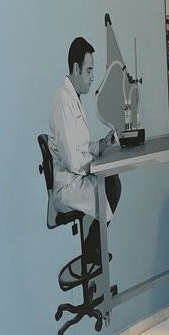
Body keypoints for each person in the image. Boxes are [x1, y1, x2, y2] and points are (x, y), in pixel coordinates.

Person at [48, 37, 121, 268]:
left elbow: (80, 146)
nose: (92, 76)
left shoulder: (73, 98)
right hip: (66, 186)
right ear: (76, 68)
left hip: (75, 176)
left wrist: (101, 144)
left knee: (112, 182)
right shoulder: (63, 99)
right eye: (89, 70)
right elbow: (73, 159)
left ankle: (93, 246)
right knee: (110, 184)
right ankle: (92, 247)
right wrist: (96, 163)